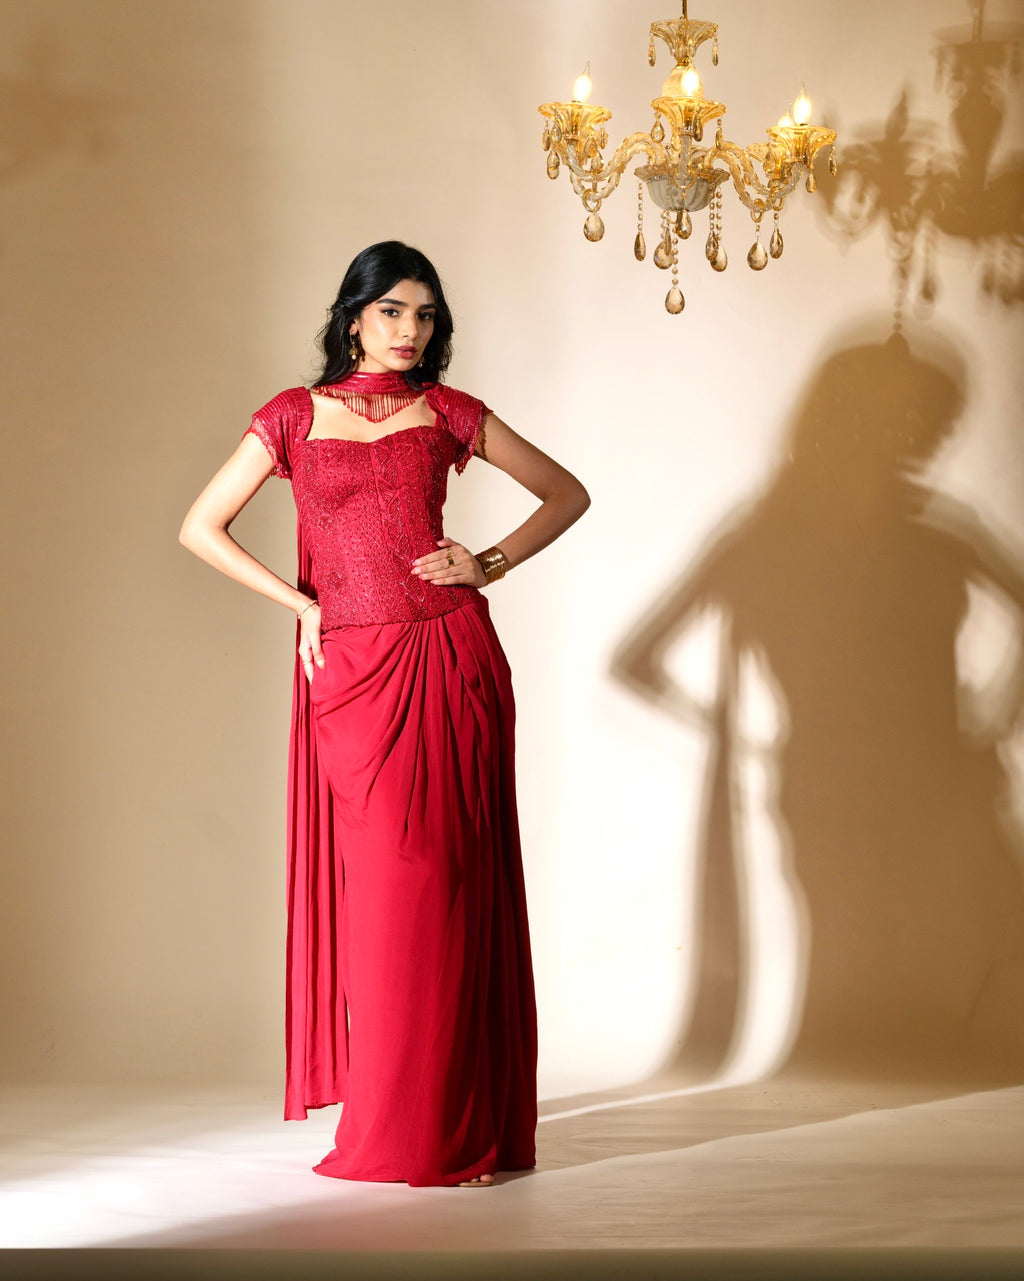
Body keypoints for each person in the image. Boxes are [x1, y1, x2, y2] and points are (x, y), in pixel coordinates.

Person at [179, 240, 590, 1187]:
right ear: (354, 315)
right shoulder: (291, 416)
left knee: (447, 887)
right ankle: (400, 1117)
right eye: (395, 311)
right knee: (388, 897)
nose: (412, 331)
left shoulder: (448, 413)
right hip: (354, 673)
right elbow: (202, 526)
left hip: (450, 657)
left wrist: (485, 562)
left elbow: (567, 493)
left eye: (427, 315)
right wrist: (303, 604)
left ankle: (456, 1127)